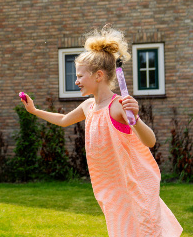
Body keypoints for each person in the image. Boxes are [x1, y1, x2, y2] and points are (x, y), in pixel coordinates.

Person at [21, 26, 182, 236]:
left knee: (144, 230)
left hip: (131, 184)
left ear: (98, 75)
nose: (76, 81)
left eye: (79, 76)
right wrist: (34, 110)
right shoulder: (88, 106)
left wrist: (137, 118)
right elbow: (62, 120)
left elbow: (149, 141)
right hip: (111, 189)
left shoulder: (117, 107)